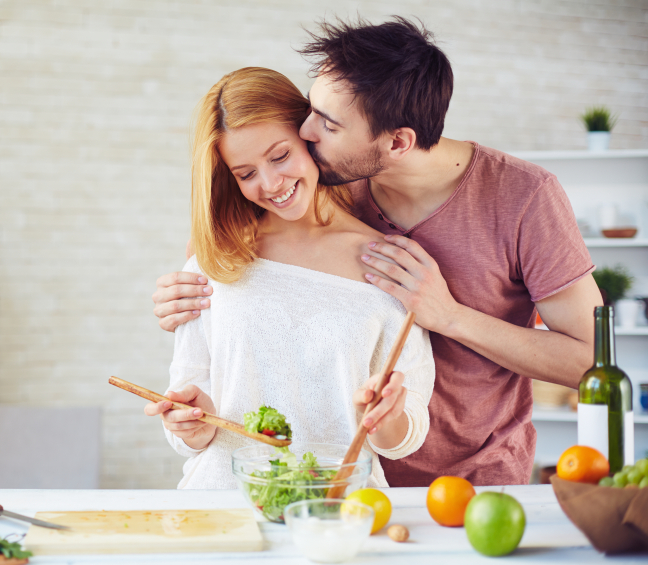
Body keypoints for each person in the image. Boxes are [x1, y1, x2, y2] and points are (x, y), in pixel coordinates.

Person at [152, 18, 603, 486]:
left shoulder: (524, 197)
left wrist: (449, 316)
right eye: (311, 109)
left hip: (468, 475)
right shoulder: (327, 179)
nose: (305, 130)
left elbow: (591, 363)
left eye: (326, 124)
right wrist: (183, 288)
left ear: (397, 142)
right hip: (348, 483)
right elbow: (228, 249)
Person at [144, 67, 436, 489]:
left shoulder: (389, 266)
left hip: (339, 509)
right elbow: (190, 428)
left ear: (309, 134)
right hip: (224, 505)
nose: (270, 184)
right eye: (245, 174)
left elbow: (407, 436)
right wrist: (191, 423)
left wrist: (387, 420)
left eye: (280, 156)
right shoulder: (215, 263)